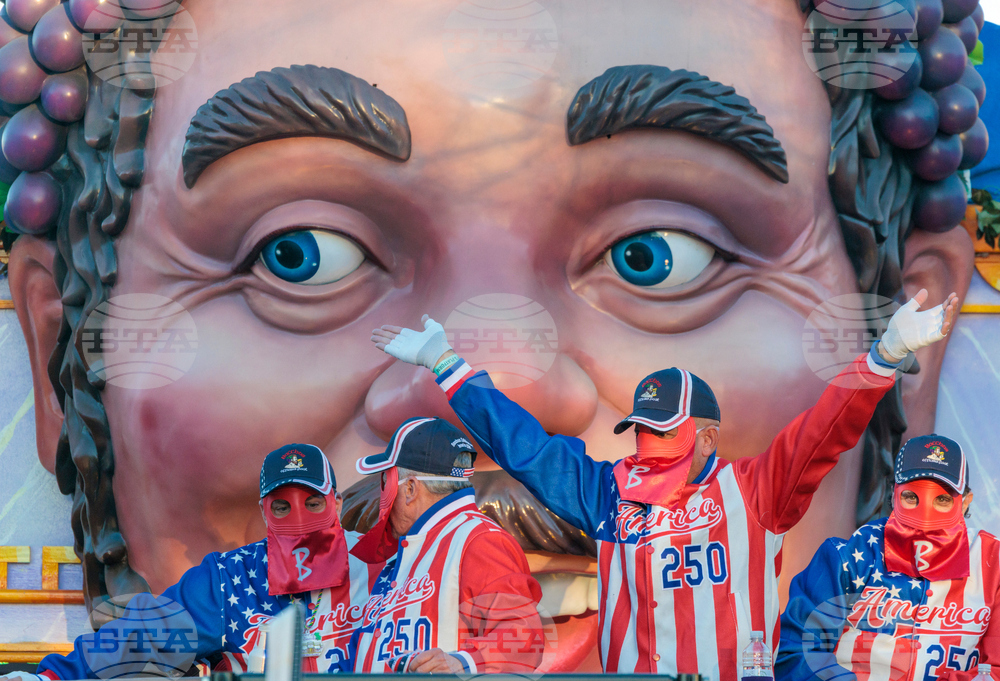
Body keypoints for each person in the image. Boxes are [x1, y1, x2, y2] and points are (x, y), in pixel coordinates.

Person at [5, 0, 979, 670]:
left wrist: (881, 358)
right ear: (62, 360)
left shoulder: (731, 509)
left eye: (659, 255)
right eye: (297, 253)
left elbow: (817, 441)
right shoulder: (319, 574)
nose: (523, 362)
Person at [369, 287, 959, 678]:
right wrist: (449, 366)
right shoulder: (608, 492)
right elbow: (525, 447)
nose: (647, 447)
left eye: (664, 432)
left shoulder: (754, 490)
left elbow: (824, 431)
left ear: (706, 437)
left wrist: (884, 355)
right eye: (642, 431)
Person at [2, 444, 381, 679]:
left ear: (338, 504)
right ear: (264, 514)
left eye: (313, 504)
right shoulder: (233, 577)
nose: (299, 519)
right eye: (282, 507)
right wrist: (51, 678)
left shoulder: (381, 564)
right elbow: (141, 637)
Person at [776, 434, 999, 681]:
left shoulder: (993, 565)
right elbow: (795, 652)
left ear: (965, 502)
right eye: (911, 497)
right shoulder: (848, 557)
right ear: (894, 494)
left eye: (943, 499)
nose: (925, 516)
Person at [344, 417, 545, 674]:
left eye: (385, 481)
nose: (381, 494)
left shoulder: (477, 538)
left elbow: (522, 636)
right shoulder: (414, 547)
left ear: (410, 489)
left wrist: (462, 662)